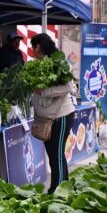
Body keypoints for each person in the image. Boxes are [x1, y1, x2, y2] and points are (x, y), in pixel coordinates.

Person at [29, 33, 76, 192]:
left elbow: (69, 87)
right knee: (53, 155)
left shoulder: (60, 63)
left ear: (38, 47)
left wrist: (43, 91)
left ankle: (59, 190)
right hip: (47, 119)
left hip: (60, 117)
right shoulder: (38, 64)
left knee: (57, 156)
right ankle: (61, 188)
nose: (32, 52)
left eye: (32, 48)